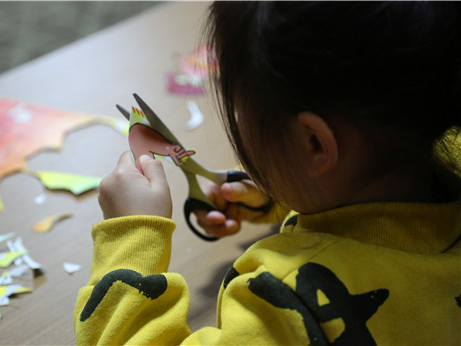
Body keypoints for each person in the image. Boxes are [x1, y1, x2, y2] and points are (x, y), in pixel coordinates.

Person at [74, 2, 461, 344]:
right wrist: (281, 195)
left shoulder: (290, 304)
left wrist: (131, 238)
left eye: (241, 113)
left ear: (312, 144)